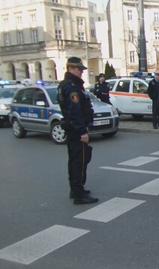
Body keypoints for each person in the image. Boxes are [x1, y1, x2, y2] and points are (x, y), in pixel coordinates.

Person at [57, 57, 98, 205]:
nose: (81, 72)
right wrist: (82, 132)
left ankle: (76, 190)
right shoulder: (72, 87)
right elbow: (75, 111)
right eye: (79, 69)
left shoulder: (68, 85)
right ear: (71, 68)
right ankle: (78, 194)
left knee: (77, 160)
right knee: (78, 162)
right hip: (76, 130)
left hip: (73, 128)